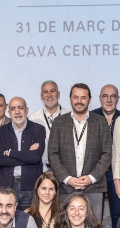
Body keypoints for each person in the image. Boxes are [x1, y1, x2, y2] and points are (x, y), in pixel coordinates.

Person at [47, 83, 113, 214]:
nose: (79, 101)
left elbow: (107, 153)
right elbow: (53, 154)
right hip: (66, 188)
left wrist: (91, 177)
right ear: (70, 98)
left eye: (83, 98)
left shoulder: (100, 122)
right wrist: (67, 178)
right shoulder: (59, 122)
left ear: (90, 99)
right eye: (76, 97)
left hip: (94, 187)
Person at [0, 96, 46, 209]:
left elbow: (35, 158)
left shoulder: (39, 129)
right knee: (7, 222)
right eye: (13, 108)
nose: (17, 111)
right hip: (7, 187)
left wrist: (10, 152)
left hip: (30, 187)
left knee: (30, 222)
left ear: (27, 110)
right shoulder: (1, 132)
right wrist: (26, 154)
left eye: (20, 107)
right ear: (9, 112)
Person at [91, 83, 120, 228]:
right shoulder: (90, 118)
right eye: (105, 96)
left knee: (119, 214)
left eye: (113, 96)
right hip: (94, 173)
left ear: (118, 99)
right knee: (91, 215)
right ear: (100, 98)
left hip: (117, 174)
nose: (109, 99)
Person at [28, 80, 68, 169]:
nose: (49, 95)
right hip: (41, 168)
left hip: (66, 169)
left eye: (52, 91)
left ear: (58, 94)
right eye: (45, 92)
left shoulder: (70, 116)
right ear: (41, 96)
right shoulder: (33, 119)